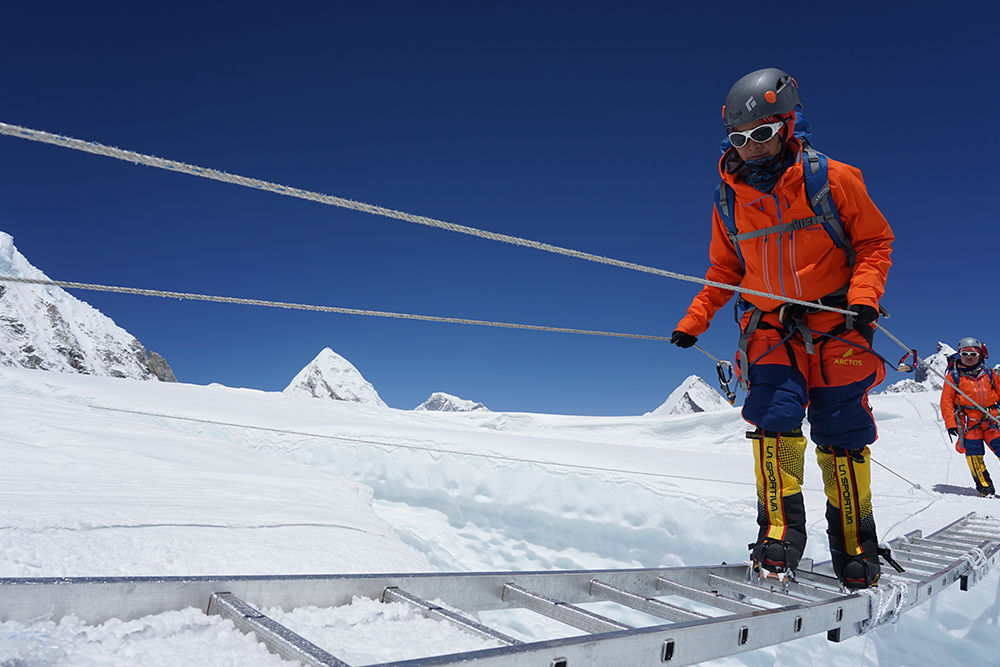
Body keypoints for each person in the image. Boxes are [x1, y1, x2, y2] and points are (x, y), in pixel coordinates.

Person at [669, 68, 894, 589]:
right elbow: (726, 271)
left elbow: (874, 243)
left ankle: (855, 545)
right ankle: (778, 536)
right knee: (773, 422)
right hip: (769, 325)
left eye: (762, 134)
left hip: (838, 322)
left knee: (842, 430)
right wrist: (694, 321)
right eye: (739, 139)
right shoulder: (727, 200)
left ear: (789, 125)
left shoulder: (833, 179)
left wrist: (863, 298)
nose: (750, 148)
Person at [941, 337, 1000, 497]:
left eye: (973, 354)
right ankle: (985, 489)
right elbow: (946, 402)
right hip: (969, 423)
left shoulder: (989, 373)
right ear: (959, 354)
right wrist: (951, 424)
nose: (969, 357)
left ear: (980, 354)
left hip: (991, 419)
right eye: (964, 353)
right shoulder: (953, 377)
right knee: (975, 457)